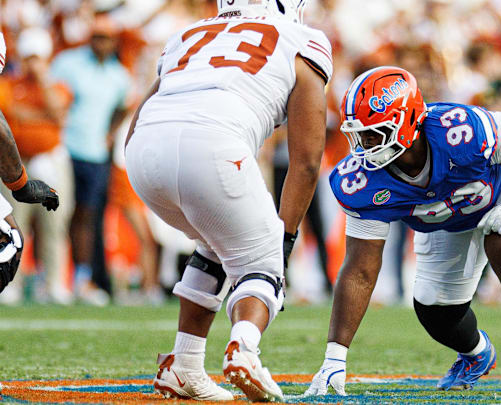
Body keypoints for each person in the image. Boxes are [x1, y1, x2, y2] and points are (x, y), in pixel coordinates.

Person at [305, 66, 501, 397]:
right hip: (451, 213)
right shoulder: (361, 181)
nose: (364, 145)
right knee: (435, 309)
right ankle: (476, 355)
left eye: (374, 133)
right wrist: (336, 357)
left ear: (407, 123)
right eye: (359, 134)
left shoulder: (460, 131)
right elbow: (360, 269)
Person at [125, 0, 332, 401]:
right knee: (262, 261)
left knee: (217, 242)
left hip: (143, 154)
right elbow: (306, 161)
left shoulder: (186, 34)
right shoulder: (302, 38)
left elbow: (140, 117)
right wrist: (283, 240)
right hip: (213, 147)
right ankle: (244, 349)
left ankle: (183, 365)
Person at [51, 14, 131, 306]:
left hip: (95, 154)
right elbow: (52, 97)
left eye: (106, 37)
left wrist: (109, 135)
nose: (101, 42)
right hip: (64, 148)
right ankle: (54, 278)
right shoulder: (69, 63)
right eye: (97, 36)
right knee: (58, 214)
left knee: (86, 216)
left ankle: (81, 279)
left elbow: (125, 104)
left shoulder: (118, 75)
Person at [0, 28, 74, 305]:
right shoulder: (8, 83)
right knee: (12, 224)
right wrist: (40, 116)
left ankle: (56, 284)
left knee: (55, 225)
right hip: (14, 164)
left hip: (49, 159)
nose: (32, 63)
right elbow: (7, 116)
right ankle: (12, 284)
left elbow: (57, 112)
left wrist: (42, 80)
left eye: (37, 58)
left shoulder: (56, 84)